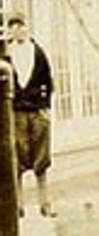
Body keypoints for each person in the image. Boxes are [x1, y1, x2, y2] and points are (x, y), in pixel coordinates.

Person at [6, 11, 55, 217]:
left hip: (37, 111)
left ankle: (45, 203)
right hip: (16, 113)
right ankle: (18, 207)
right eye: (13, 26)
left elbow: (49, 81)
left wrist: (44, 107)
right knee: (16, 158)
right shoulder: (6, 54)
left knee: (41, 159)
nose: (18, 30)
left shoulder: (38, 52)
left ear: (27, 27)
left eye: (21, 25)